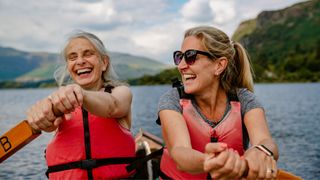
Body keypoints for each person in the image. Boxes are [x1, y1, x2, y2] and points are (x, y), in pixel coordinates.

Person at [157, 26, 279, 179]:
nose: (181, 66)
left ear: (219, 65)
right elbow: (180, 152)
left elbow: (266, 140)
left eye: (190, 56)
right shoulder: (171, 100)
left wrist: (260, 151)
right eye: (179, 57)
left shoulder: (245, 99)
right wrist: (212, 161)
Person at [26, 31, 136, 179]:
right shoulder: (59, 100)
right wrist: (38, 114)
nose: (80, 61)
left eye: (88, 54)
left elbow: (114, 106)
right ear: (69, 67)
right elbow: (48, 124)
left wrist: (80, 93)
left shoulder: (121, 92)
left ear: (104, 63)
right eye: (72, 57)